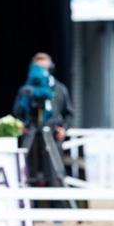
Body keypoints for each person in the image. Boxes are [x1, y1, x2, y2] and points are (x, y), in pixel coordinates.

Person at [12, 52, 75, 191]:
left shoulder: (60, 89)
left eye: (45, 69)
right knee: (26, 175)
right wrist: (21, 124)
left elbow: (69, 113)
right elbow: (17, 112)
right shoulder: (26, 91)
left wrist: (63, 128)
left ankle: (59, 210)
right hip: (31, 136)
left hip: (51, 136)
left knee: (55, 177)